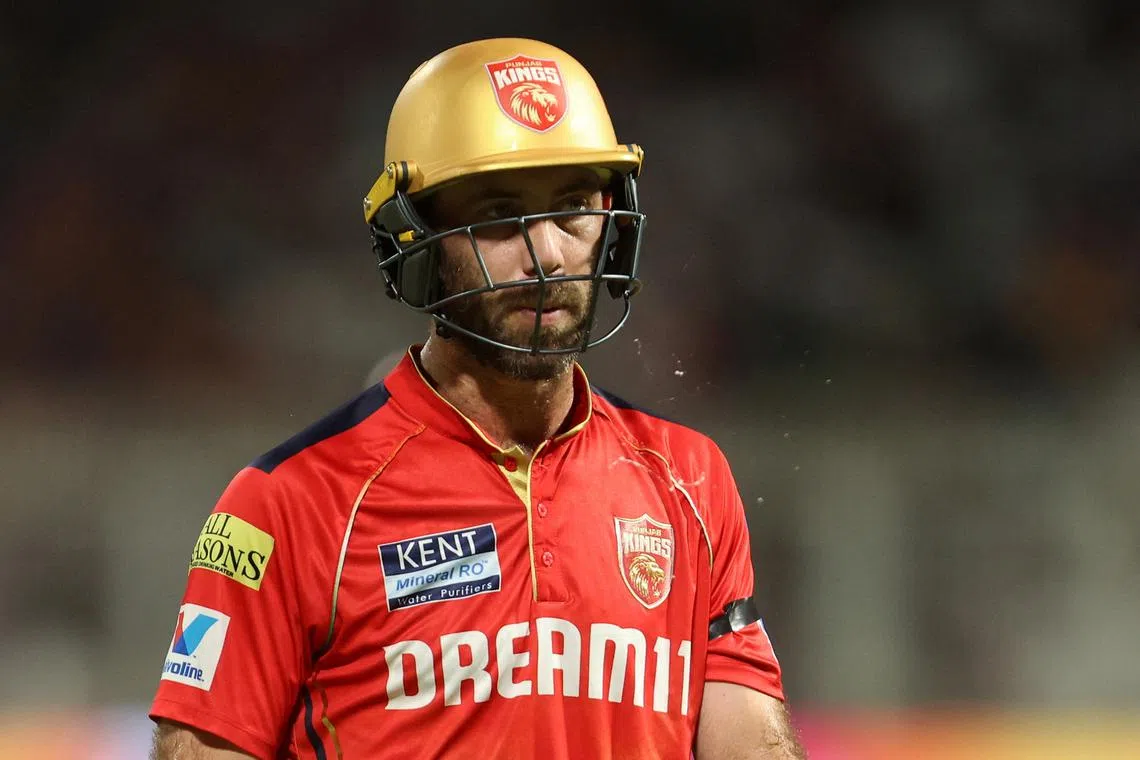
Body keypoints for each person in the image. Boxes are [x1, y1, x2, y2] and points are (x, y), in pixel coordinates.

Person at [149, 37, 806, 760]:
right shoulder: (287, 505)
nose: (547, 253)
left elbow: (752, 744)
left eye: (574, 209)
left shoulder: (691, 478)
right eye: (497, 216)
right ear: (416, 237)